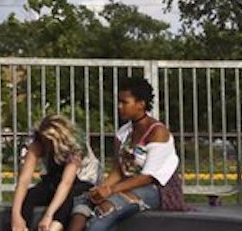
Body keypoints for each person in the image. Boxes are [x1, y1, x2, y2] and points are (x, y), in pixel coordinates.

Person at [81, 77, 186, 230]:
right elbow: (118, 169)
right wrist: (102, 187)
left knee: (106, 210)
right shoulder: (124, 133)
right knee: (85, 201)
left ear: (141, 104)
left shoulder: (157, 132)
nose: (119, 106)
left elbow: (148, 177)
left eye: (124, 102)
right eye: (119, 101)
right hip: (126, 185)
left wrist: (111, 190)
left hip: (156, 189)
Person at [10, 114, 98, 231]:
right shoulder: (38, 143)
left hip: (83, 180)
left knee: (69, 198)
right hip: (55, 177)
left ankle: (54, 228)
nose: (47, 146)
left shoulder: (75, 144)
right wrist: (15, 214)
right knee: (30, 195)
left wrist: (48, 215)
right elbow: (24, 179)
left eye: (50, 142)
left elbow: (66, 183)